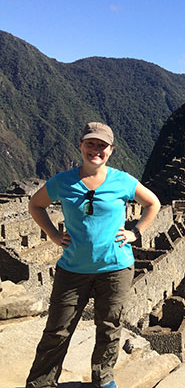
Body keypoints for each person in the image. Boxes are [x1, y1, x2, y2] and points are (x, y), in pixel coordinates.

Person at [26, 122, 161, 388]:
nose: (95, 150)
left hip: (116, 268)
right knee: (57, 330)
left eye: (102, 145)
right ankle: (41, 383)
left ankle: (104, 380)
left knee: (109, 328)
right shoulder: (63, 182)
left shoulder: (123, 181)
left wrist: (135, 232)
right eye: (91, 144)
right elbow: (35, 204)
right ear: (81, 145)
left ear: (111, 150)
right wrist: (53, 235)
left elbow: (152, 203)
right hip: (72, 269)